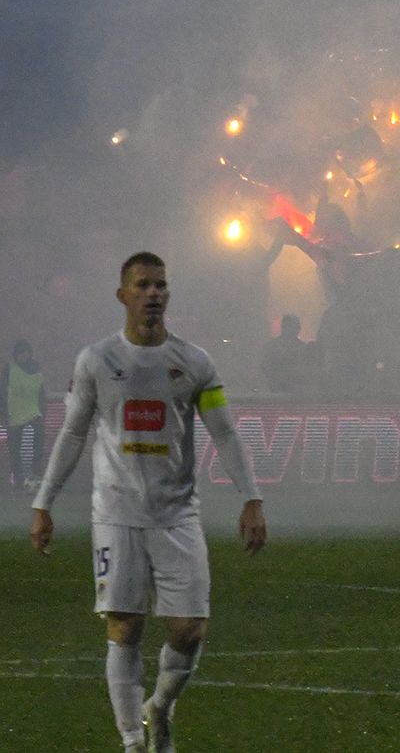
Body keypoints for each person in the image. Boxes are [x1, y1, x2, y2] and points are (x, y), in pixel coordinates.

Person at [28, 252, 267, 753]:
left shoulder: (195, 362)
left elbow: (224, 433)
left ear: (168, 295)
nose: (153, 293)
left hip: (177, 515)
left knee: (189, 630)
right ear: (123, 296)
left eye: (160, 285)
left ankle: (159, 705)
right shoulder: (96, 360)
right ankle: (133, 742)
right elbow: (73, 434)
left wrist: (251, 498)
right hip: (116, 515)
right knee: (125, 626)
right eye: (142, 285)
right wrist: (43, 502)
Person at [7, 338, 44, 492]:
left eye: (25, 353)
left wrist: (43, 410)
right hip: (14, 414)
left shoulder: (36, 369)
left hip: (33, 411)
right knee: (15, 449)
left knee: (39, 435)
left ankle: (35, 471)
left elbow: (41, 391)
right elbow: (3, 391)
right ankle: (18, 478)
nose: (23, 356)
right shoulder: (9, 369)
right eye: (20, 353)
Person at [260, 313, 323, 394]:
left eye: (294, 326)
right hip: (276, 389)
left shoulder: (303, 347)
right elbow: (264, 367)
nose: (293, 329)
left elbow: (308, 371)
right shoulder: (272, 346)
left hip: (297, 390)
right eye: (289, 326)